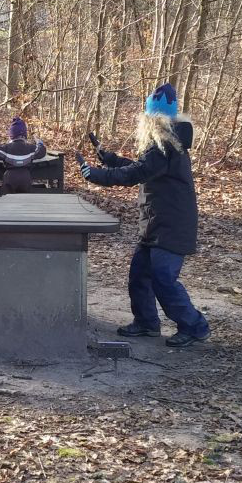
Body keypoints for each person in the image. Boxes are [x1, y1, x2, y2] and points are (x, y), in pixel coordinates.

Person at [75, 84, 209, 348]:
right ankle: (147, 323)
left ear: (153, 119)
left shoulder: (166, 147)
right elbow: (141, 169)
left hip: (171, 227)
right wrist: (109, 159)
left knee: (163, 279)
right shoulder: (163, 145)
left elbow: (135, 173)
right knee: (139, 275)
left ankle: (195, 326)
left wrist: (97, 175)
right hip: (156, 224)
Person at [0, 117, 47, 194]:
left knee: (8, 198)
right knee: (25, 199)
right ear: (24, 136)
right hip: (25, 177)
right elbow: (41, 151)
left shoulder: (6, 148)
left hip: (10, 177)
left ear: (11, 135)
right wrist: (40, 144)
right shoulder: (30, 148)